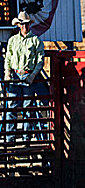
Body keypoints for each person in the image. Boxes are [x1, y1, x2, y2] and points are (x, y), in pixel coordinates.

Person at [3, 11, 44, 144]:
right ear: (19, 25)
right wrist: (7, 73)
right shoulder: (12, 40)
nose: (24, 26)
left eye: (26, 24)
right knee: (11, 108)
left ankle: (26, 138)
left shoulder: (35, 41)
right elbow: (8, 58)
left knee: (27, 107)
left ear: (29, 25)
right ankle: (10, 139)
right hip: (15, 76)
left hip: (27, 76)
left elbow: (40, 60)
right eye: (22, 24)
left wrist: (33, 75)